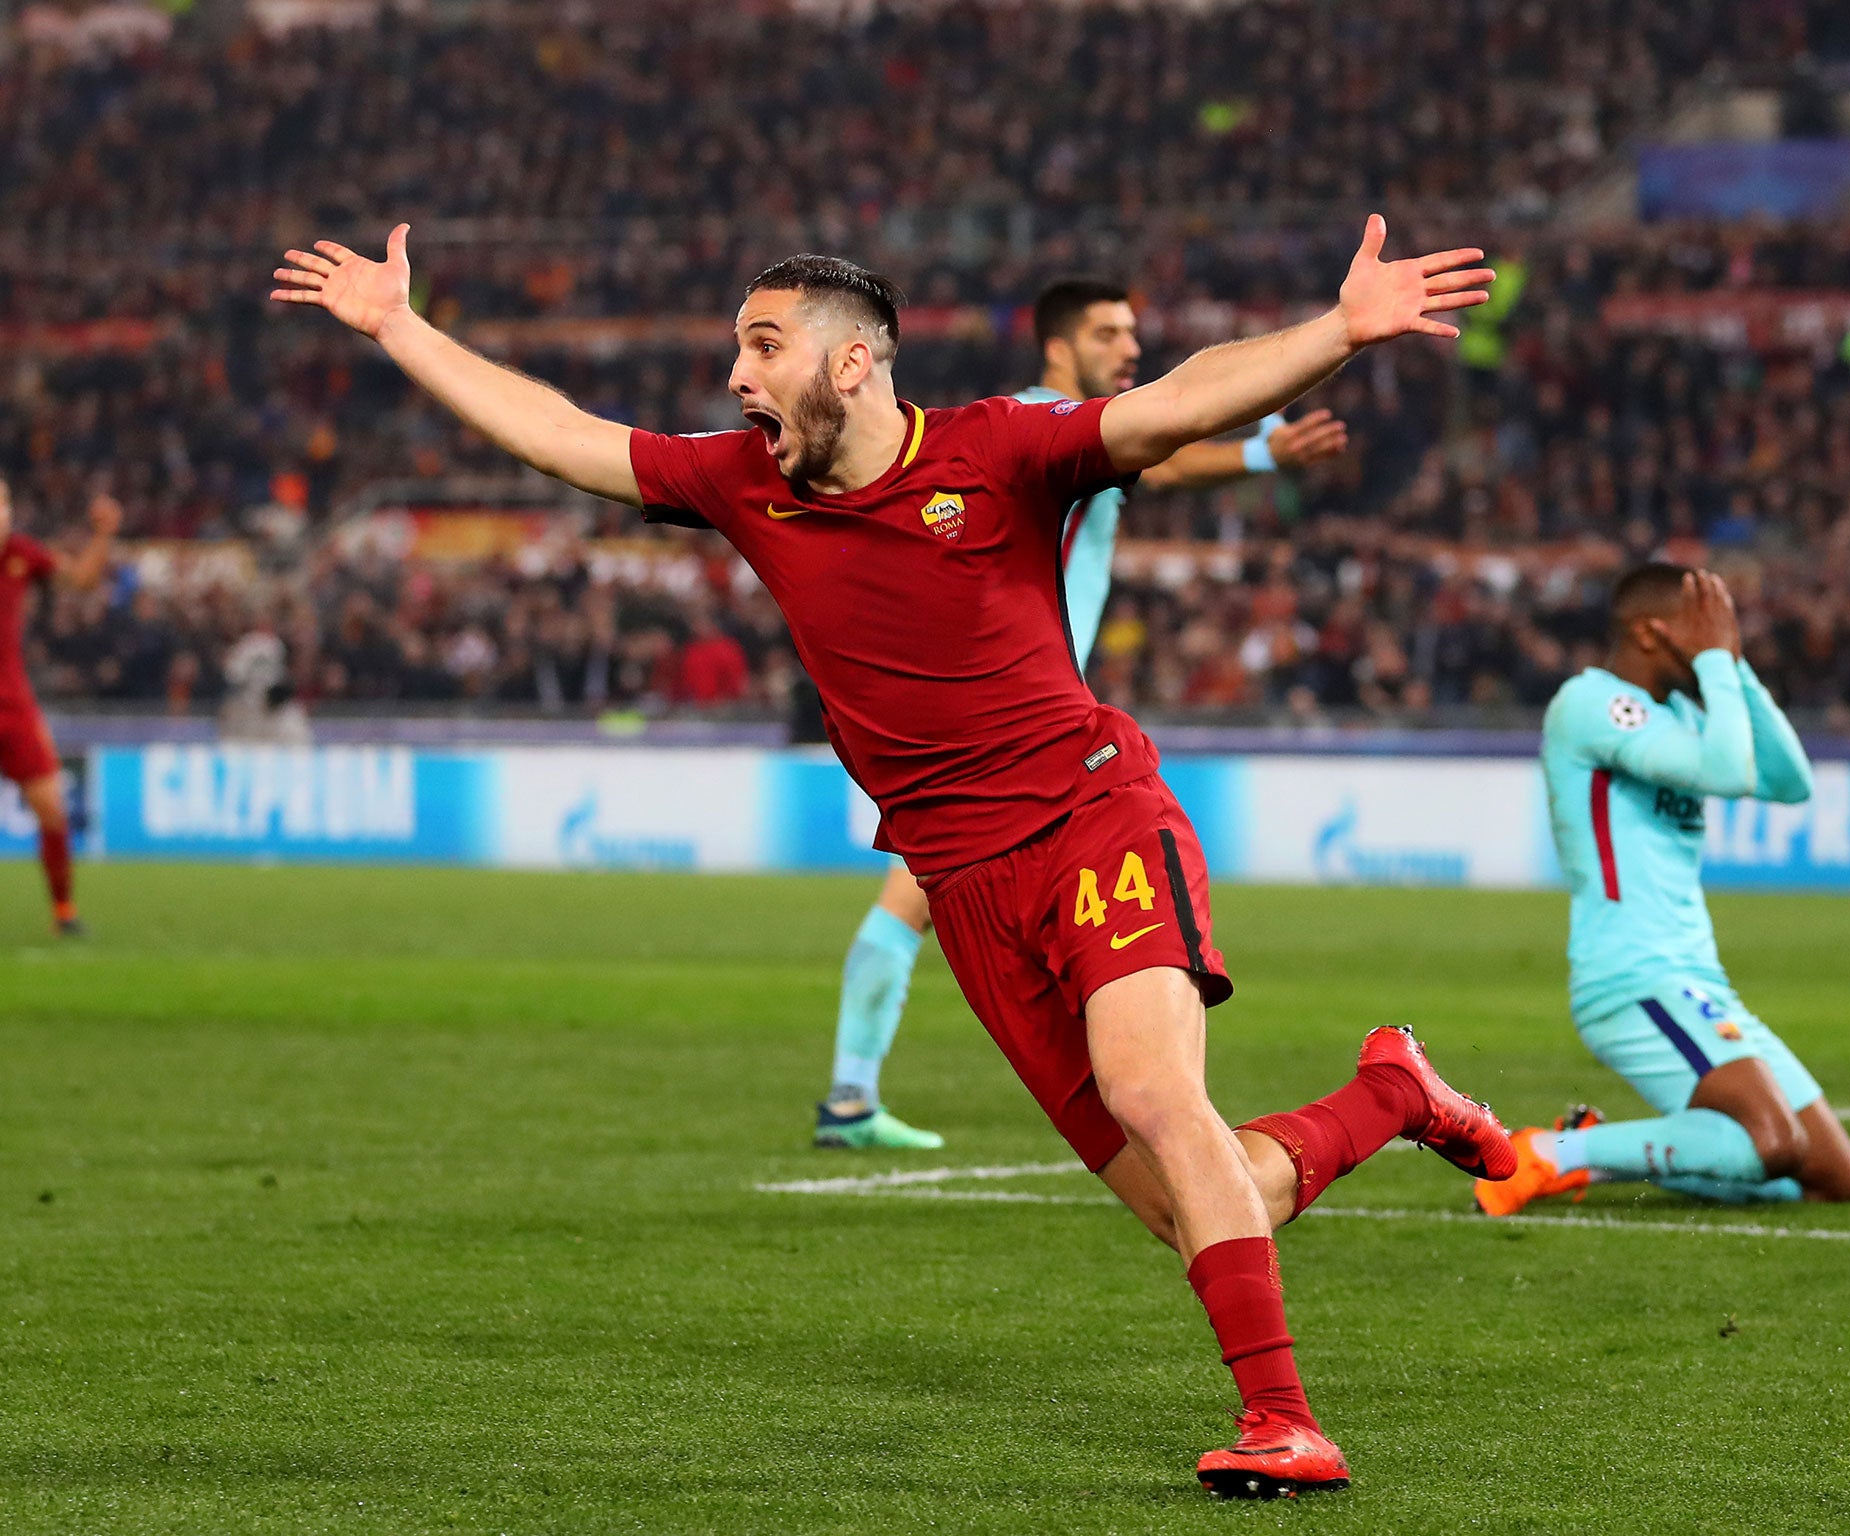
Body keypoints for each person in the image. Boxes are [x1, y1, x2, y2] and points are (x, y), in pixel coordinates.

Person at [273, 216, 1511, 1497]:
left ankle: (1282, 1422)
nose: (739, 378)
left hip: (1090, 817)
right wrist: (398, 327)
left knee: (1152, 1091)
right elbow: (568, 438)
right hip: (961, 884)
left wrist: (1338, 331)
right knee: (1190, 1198)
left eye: (763, 347)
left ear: (853, 362)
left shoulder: (996, 449)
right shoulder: (738, 482)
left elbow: (1170, 404)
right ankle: (1392, 1095)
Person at [817, 276, 1347, 1151]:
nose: (1130, 349)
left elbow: (1155, 459)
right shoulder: (1031, 421)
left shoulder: (1064, 433)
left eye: (1134, 333)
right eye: (1110, 334)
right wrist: (1262, 456)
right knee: (913, 900)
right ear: (1060, 346)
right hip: (994, 727)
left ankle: (852, 1096)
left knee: (913, 900)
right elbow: (1164, 449)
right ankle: (849, 1097)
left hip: (1012, 722)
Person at [1480, 565, 1850, 1216]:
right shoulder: (1591, 703)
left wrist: (1733, 667)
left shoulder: (1681, 709)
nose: (1720, 641)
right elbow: (1725, 769)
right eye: (1705, 630)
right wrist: (1716, 664)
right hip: (1634, 976)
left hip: (1697, 981)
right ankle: (1551, 1154)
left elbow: (1790, 781)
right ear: (1649, 633)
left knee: (1833, 1176)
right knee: (1771, 1144)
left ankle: (1596, 1148)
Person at [0, 480, 120, 935]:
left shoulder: (21, 554)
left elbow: (81, 580)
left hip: (12, 704)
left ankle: (64, 911)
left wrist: (104, 533)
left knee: (51, 808)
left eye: (4, 503)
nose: (1, 513)